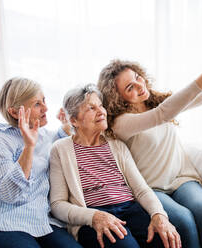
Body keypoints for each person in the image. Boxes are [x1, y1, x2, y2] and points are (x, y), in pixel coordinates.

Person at [97, 37, 202, 248]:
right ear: (118, 97)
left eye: (138, 78)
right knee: (183, 220)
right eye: (130, 87)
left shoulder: (156, 100)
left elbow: (201, 98)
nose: (139, 85)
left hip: (181, 179)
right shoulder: (121, 122)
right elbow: (161, 115)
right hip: (150, 188)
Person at [49, 84, 181, 248]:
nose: (101, 112)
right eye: (91, 108)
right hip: (93, 215)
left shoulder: (117, 145)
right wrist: (94, 216)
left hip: (130, 209)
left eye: (101, 106)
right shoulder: (60, 149)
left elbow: (141, 189)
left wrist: (159, 215)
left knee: (167, 240)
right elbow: (57, 204)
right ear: (74, 120)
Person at [0, 77, 82, 248]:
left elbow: (70, 140)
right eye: (37, 104)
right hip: (0, 222)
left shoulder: (46, 136)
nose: (45, 108)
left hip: (42, 222)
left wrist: (67, 123)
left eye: (44, 100)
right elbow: (9, 194)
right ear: (14, 112)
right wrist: (28, 146)